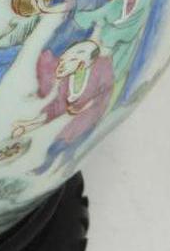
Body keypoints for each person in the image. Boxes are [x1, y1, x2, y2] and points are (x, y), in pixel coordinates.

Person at [14, 39, 114, 177]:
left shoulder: (102, 69)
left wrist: (87, 107)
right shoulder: (66, 82)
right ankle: (46, 167)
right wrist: (28, 125)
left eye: (68, 61)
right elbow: (56, 108)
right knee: (56, 147)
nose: (61, 66)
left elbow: (107, 93)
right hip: (78, 121)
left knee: (68, 145)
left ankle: (60, 168)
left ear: (80, 65)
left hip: (93, 116)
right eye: (62, 60)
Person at [76, 0, 155, 85]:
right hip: (107, 47)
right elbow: (104, 11)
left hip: (123, 49)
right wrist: (84, 17)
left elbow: (132, 27)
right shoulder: (120, 0)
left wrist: (110, 35)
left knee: (109, 72)